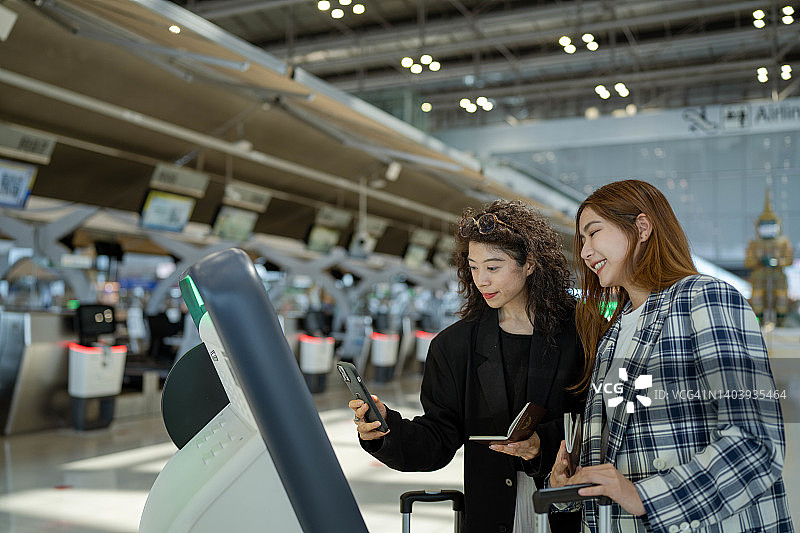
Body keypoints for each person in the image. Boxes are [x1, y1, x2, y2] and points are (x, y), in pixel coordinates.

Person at [549, 179, 793, 532]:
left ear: (642, 227)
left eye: (594, 232)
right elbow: (619, 464)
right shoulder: (612, 337)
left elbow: (755, 442)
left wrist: (644, 497)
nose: (585, 252)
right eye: (582, 240)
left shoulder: (704, 298)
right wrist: (569, 485)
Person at [350, 199, 585, 533]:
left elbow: (598, 418)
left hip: (568, 507)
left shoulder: (581, 334)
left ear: (530, 263)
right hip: (493, 511)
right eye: (474, 267)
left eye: (493, 267)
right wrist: (386, 430)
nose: (481, 280)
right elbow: (438, 438)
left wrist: (540, 445)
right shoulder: (455, 346)